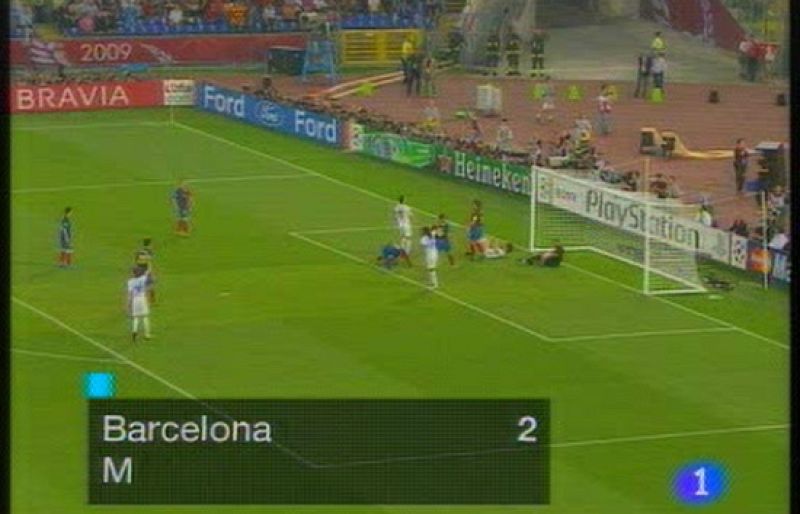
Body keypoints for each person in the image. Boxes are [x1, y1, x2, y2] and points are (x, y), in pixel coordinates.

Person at [127, 266, 152, 342]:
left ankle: (134, 331)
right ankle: (147, 335)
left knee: (136, 317)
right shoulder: (143, 278)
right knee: (145, 316)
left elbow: (130, 294)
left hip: (135, 300)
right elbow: (148, 272)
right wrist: (149, 263)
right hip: (142, 298)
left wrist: (129, 303)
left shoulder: (130, 281)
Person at [134, 238, 156, 305]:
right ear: (149, 244)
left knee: (144, 285)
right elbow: (149, 261)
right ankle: (151, 300)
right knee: (150, 285)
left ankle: (149, 300)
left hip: (140, 269)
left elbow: (136, 260)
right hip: (144, 270)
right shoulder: (147, 252)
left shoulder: (141, 251)